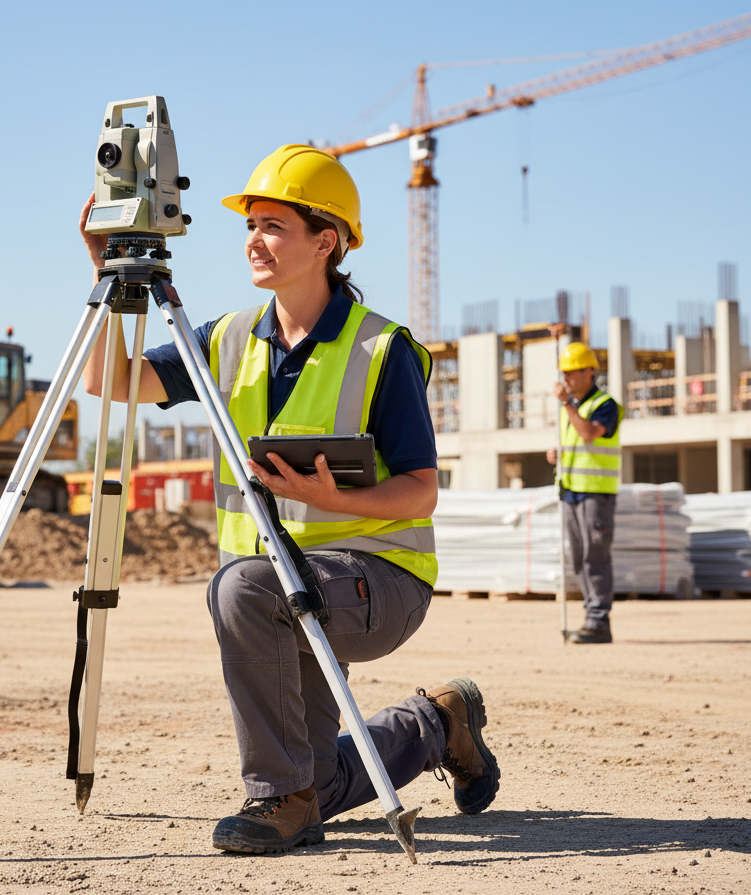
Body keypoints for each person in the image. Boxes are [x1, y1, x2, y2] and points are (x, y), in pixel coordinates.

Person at [79, 144, 500, 854]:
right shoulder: (226, 338)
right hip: (281, 594)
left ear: (325, 241)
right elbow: (111, 382)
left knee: (241, 592)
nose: (254, 239)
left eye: (273, 225)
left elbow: (421, 491)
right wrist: (105, 276)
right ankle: (436, 723)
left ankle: (279, 797)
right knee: (324, 773)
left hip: (376, 580)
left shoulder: (380, 350)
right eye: (252, 225)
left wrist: (323, 493)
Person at [546, 342, 625, 644]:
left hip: (596, 493)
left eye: (572, 372)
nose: (566, 378)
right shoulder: (572, 408)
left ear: (590, 372)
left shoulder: (605, 405)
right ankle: (590, 617)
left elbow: (589, 433)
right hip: (570, 491)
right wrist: (557, 454)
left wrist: (567, 404)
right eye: (564, 373)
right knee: (579, 556)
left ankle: (599, 622)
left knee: (596, 555)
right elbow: (578, 443)